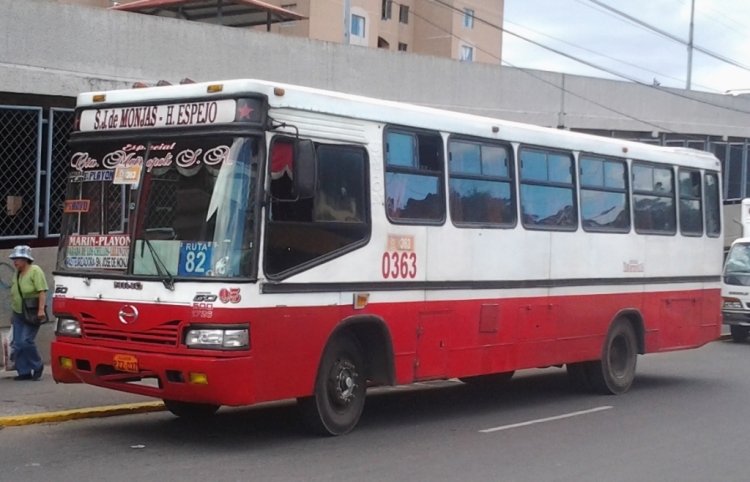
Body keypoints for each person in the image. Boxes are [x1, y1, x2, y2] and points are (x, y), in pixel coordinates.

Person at [8, 245, 47, 381]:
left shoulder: (35, 271)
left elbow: (42, 291)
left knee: (26, 341)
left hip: (32, 312)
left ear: (25, 259)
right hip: (18, 312)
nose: (15, 262)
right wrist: (13, 315)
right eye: (14, 259)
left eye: (17, 259)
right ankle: (23, 371)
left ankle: (37, 365)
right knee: (17, 343)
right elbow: (15, 293)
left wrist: (41, 309)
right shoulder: (17, 273)